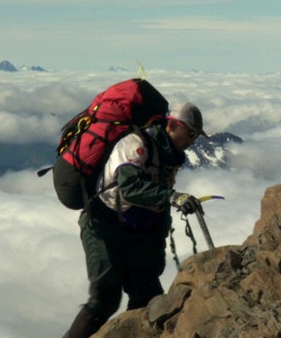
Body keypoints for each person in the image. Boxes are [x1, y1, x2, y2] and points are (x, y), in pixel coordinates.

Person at [62, 102, 208, 338]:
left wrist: (157, 243)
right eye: (190, 133)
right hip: (103, 224)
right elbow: (130, 188)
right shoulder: (136, 145)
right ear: (172, 126)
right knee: (104, 299)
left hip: (137, 228)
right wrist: (172, 197)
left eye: (196, 136)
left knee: (147, 295)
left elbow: (157, 199)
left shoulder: (169, 155)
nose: (193, 140)